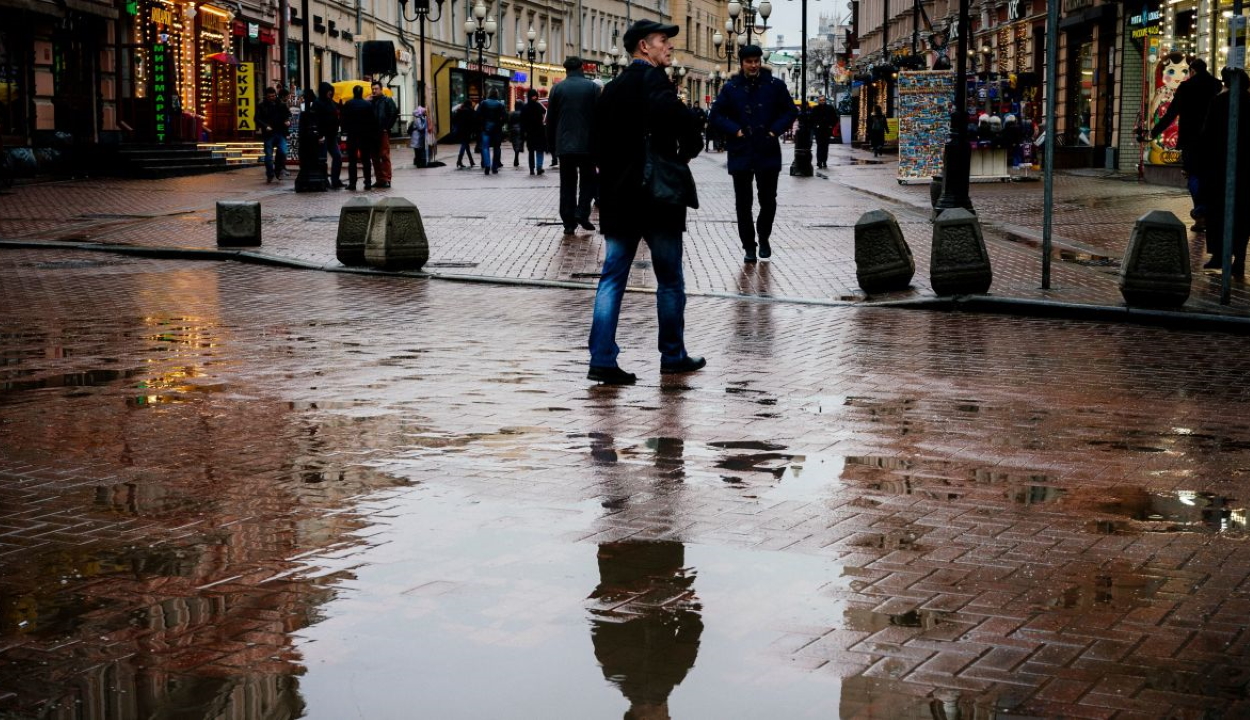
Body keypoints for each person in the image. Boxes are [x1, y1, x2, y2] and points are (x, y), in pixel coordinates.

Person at [588, 19, 705, 385]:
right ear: (644, 46)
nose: (669, 46)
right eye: (662, 41)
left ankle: (602, 358)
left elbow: (598, 143)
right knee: (669, 278)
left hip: (619, 197)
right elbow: (682, 123)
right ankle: (673, 355)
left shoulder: (611, 88)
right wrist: (689, 147)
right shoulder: (655, 81)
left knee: (612, 278)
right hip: (657, 197)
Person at [708, 44, 797, 263]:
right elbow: (716, 115)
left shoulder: (775, 85)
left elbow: (790, 111)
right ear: (742, 63)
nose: (754, 65)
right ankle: (748, 245)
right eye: (749, 62)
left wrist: (774, 130)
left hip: (767, 149)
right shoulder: (731, 88)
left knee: (768, 200)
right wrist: (735, 130)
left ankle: (764, 237)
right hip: (742, 151)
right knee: (743, 203)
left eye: (756, 61)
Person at [1152, 57, 1222, 232]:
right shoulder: (1216, 85)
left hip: (1191, 139)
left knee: (1193, 175)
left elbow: (1171, 114)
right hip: (1213, 139)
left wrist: (1154, 132)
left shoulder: (1186, 87)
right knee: (1208, 176)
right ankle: (1203, 216)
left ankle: (1200, 211)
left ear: (1192, 71)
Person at [1197, 67, 1250, 275]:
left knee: (1218, 212)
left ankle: (1219, 255)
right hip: (1245, 170)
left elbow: (1206, 136)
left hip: (1219, 168)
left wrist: (1200, 165)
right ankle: (1240, 259)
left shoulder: (1218, 102)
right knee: (1243, 215)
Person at [546, 56, 600, 234]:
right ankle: (582, 212)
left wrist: (551, 144)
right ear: (582, 68)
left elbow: (551, 119)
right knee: (589, 180)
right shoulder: (592, 87)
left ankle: (568, 222)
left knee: (567, 183)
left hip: (564, 144)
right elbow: (600, 116)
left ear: (566, 70)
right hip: (588, 144)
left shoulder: (556, 89)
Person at [341, 84, 378, 191]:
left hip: (352, 135)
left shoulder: (348, 104)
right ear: (362, 93)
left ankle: (352, 183)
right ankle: (368, 182)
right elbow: (372, 120)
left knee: (352, 160)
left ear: (353, 92)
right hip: (365, 135)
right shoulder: (367, 105)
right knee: (366, 159)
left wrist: (345, 130)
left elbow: (343, 119)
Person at [257, 86, 291, 183]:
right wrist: (265, 126)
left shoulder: (281, 104)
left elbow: (288, 114)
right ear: (266, 97)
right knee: (268, 156)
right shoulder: (262, 106)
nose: (272, 98)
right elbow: (257, 118)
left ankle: (278, 169)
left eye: (273, 96)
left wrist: (287, 121)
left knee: (283, 151)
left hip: (280, 132)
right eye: (270, 96)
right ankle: (270, 174)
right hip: (269, 134)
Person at [313, 81, 344, 188]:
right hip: (323, 135)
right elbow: (316, 120)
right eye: (328, 91)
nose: (330, 93)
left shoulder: (331, 102)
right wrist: (319, 135)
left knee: (338, 157)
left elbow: (336, 114)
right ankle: (323, 180)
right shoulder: (318, 103)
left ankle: (335, 180)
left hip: (332, 134)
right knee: (322, 159)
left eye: (331, 91)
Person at [369, 80, 398, 189]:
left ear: (381, 89)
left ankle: (386, 179)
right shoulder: (371, 101)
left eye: (376, 89)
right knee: (375, 157)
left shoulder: (387, 100)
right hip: (372, 132)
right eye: (373, 89)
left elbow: (394, 113)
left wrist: (387, 127)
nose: (374, 91)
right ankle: (379, 179)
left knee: (384, 155)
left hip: (383, 131)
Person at [477, 89, 506, 175]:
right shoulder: (500, 104)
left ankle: (487, 165)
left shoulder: (483, 103)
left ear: (489, 94)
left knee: (485, 147)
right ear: (497, 94)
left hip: (486, 128)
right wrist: (500, 124)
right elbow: (504, 117)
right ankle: (495, 167)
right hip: (497, 129)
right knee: (497, 148)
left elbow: (478, 115)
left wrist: (482, 125)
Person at [521, 88, 547, 175]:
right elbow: (544, 114)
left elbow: (522, 120)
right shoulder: (538, 105)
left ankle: (532, 169)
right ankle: (539, 167)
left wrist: (524, 131)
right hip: (539, 131)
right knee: (539, 150)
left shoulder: (525, 107)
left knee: (531, 151)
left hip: (530, 132)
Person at [810, 95, 837, 169]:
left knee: (825, 146)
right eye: (821, 100)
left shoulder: (830, 108)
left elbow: (835, 118)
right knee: (819, 146)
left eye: (823, 100)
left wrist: (831, 125)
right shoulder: (815, 109)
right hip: (819, 130)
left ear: (825, 100)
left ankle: (824, 161)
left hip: (827, 130)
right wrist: (816, 126)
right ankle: (819, 161)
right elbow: (812, 119)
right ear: (818, 101)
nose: (822, 101)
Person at [453, 99, 477, 169]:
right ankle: (459, 160)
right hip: (467, 131)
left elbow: (454, 120)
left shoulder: (459, 110)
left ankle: (471, 161)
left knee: (466, 145)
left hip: (460, 131)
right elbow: (473, 121)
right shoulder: (470, 111)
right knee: (464, 145)